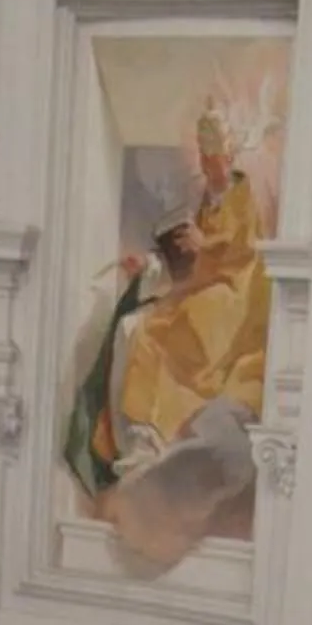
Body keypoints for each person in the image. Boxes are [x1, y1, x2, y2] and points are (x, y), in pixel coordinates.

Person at [63, 105, 271, 570]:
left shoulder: (241, 197)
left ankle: (158, 444)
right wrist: (157, 264)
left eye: (215, 151)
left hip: (233, 309)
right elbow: (191, 264)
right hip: (205, 298)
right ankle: (143, 440)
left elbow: (242, 258)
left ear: (229, 153)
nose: (210, 161)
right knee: (143, 329)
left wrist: (207, 246)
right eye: (205, 152)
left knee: (163, 331)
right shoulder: (209, 202)